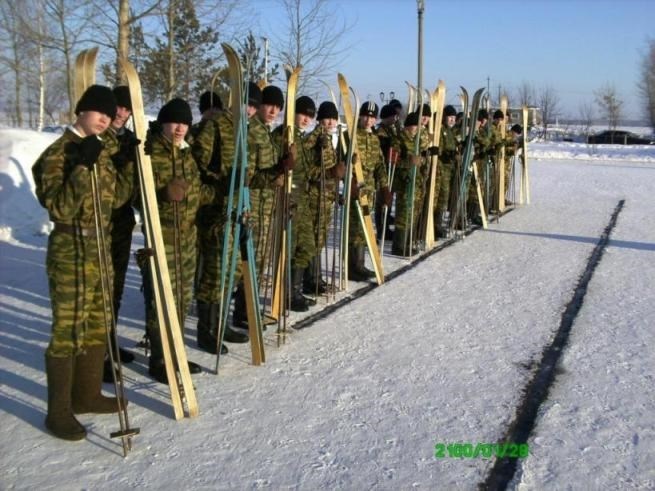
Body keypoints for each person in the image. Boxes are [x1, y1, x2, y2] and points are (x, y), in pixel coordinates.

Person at [32, 85, 133, 441]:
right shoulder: (58, 154)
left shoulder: (101, 150)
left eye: (110, 114)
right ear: (81, 111)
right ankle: (58, 412)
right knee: (68, 329)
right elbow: (59, 207)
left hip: (100, 250)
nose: (106, 119)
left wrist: (126, 165)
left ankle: (87, 394)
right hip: (70, 251)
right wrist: (82, 165)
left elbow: (116, 199)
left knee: (97, 321)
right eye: (99, 112)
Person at [140, 98, 213, 383]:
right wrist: (161, 194)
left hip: (188, 237)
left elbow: (196, 194)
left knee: (182, 299)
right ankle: (160, 360)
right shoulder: (149, 153)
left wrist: (223, 191)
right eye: (175, 122)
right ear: (163, 123)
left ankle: (176, 352)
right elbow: (135, 196)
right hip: (163, 239)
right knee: (161, 300)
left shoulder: (185, 154)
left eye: (185, 123)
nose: (180, 128)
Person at [103, 85, 138, 382]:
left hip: (123, 224)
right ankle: (98, 354)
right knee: (103, 289)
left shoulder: (127, 139)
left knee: (117, 288)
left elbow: (134, 190)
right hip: (102, 225)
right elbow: (112, 192)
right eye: (119, 107)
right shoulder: (99, 138)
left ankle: (109, 342)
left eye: (127, 109)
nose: (122, 113)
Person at [303, 101, 345, 295]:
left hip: (327, 198)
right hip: (314, 198)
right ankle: (310, 280)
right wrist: (328, 173)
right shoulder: (313, 140)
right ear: (320, 119)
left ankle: (316, 278)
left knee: (320, 240)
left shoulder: (332, 139)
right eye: (327, 118)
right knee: (313, 240)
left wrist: (336, 193)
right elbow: (305, 171)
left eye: (334, 118)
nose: (331, 122)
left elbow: (332, 173)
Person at [348, 101, 390, 279]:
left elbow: (380, 165)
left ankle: (360, 264)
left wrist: (385, 186)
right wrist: (348, 182)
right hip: (355, 189)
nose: (369, 120)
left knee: (364, 226)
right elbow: (341, 162)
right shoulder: (350, 135)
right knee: (354, 227)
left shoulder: (374, 139)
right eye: (366, 116)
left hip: (369, 190)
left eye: (372, 117)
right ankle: (353, 267)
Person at [433, 104, 459, 237]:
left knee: (445, 198)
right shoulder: (441, 130)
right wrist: (448, 154)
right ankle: (436, 226)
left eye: (454, 117)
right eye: (450, 117)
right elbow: (439, 149)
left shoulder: (450, 132)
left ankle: (439, 224)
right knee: (441, 199)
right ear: (444, 117)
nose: (452, 120)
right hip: (441, 170)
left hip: (449, 170)